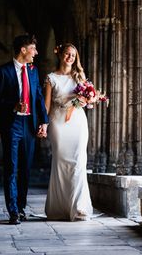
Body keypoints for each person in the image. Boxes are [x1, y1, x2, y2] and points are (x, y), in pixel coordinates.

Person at [0, 33, 49, 225]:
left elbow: (39, 96)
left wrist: (44, 121)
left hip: (29, 125)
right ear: (23, 50)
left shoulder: (33, 71)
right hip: (11, 124)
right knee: (11, 168)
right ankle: (13, 211)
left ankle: (22, 207)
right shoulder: (2, 72)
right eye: (33, 48)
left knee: (25, 168)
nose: (36, 52)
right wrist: (13, 106)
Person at [43, 43, 94, 221]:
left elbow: (88, 100)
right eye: (67, 54)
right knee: (61, 163)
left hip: (78, 123)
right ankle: (60, 208)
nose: (70, 57)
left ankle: (79, 208)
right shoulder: (50, 78)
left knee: (78, 163)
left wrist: (88, 99)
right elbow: (47, 105)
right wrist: (43, 124)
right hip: (58, 122)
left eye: (73, 55)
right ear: (60, 55)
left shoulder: (79, 76)